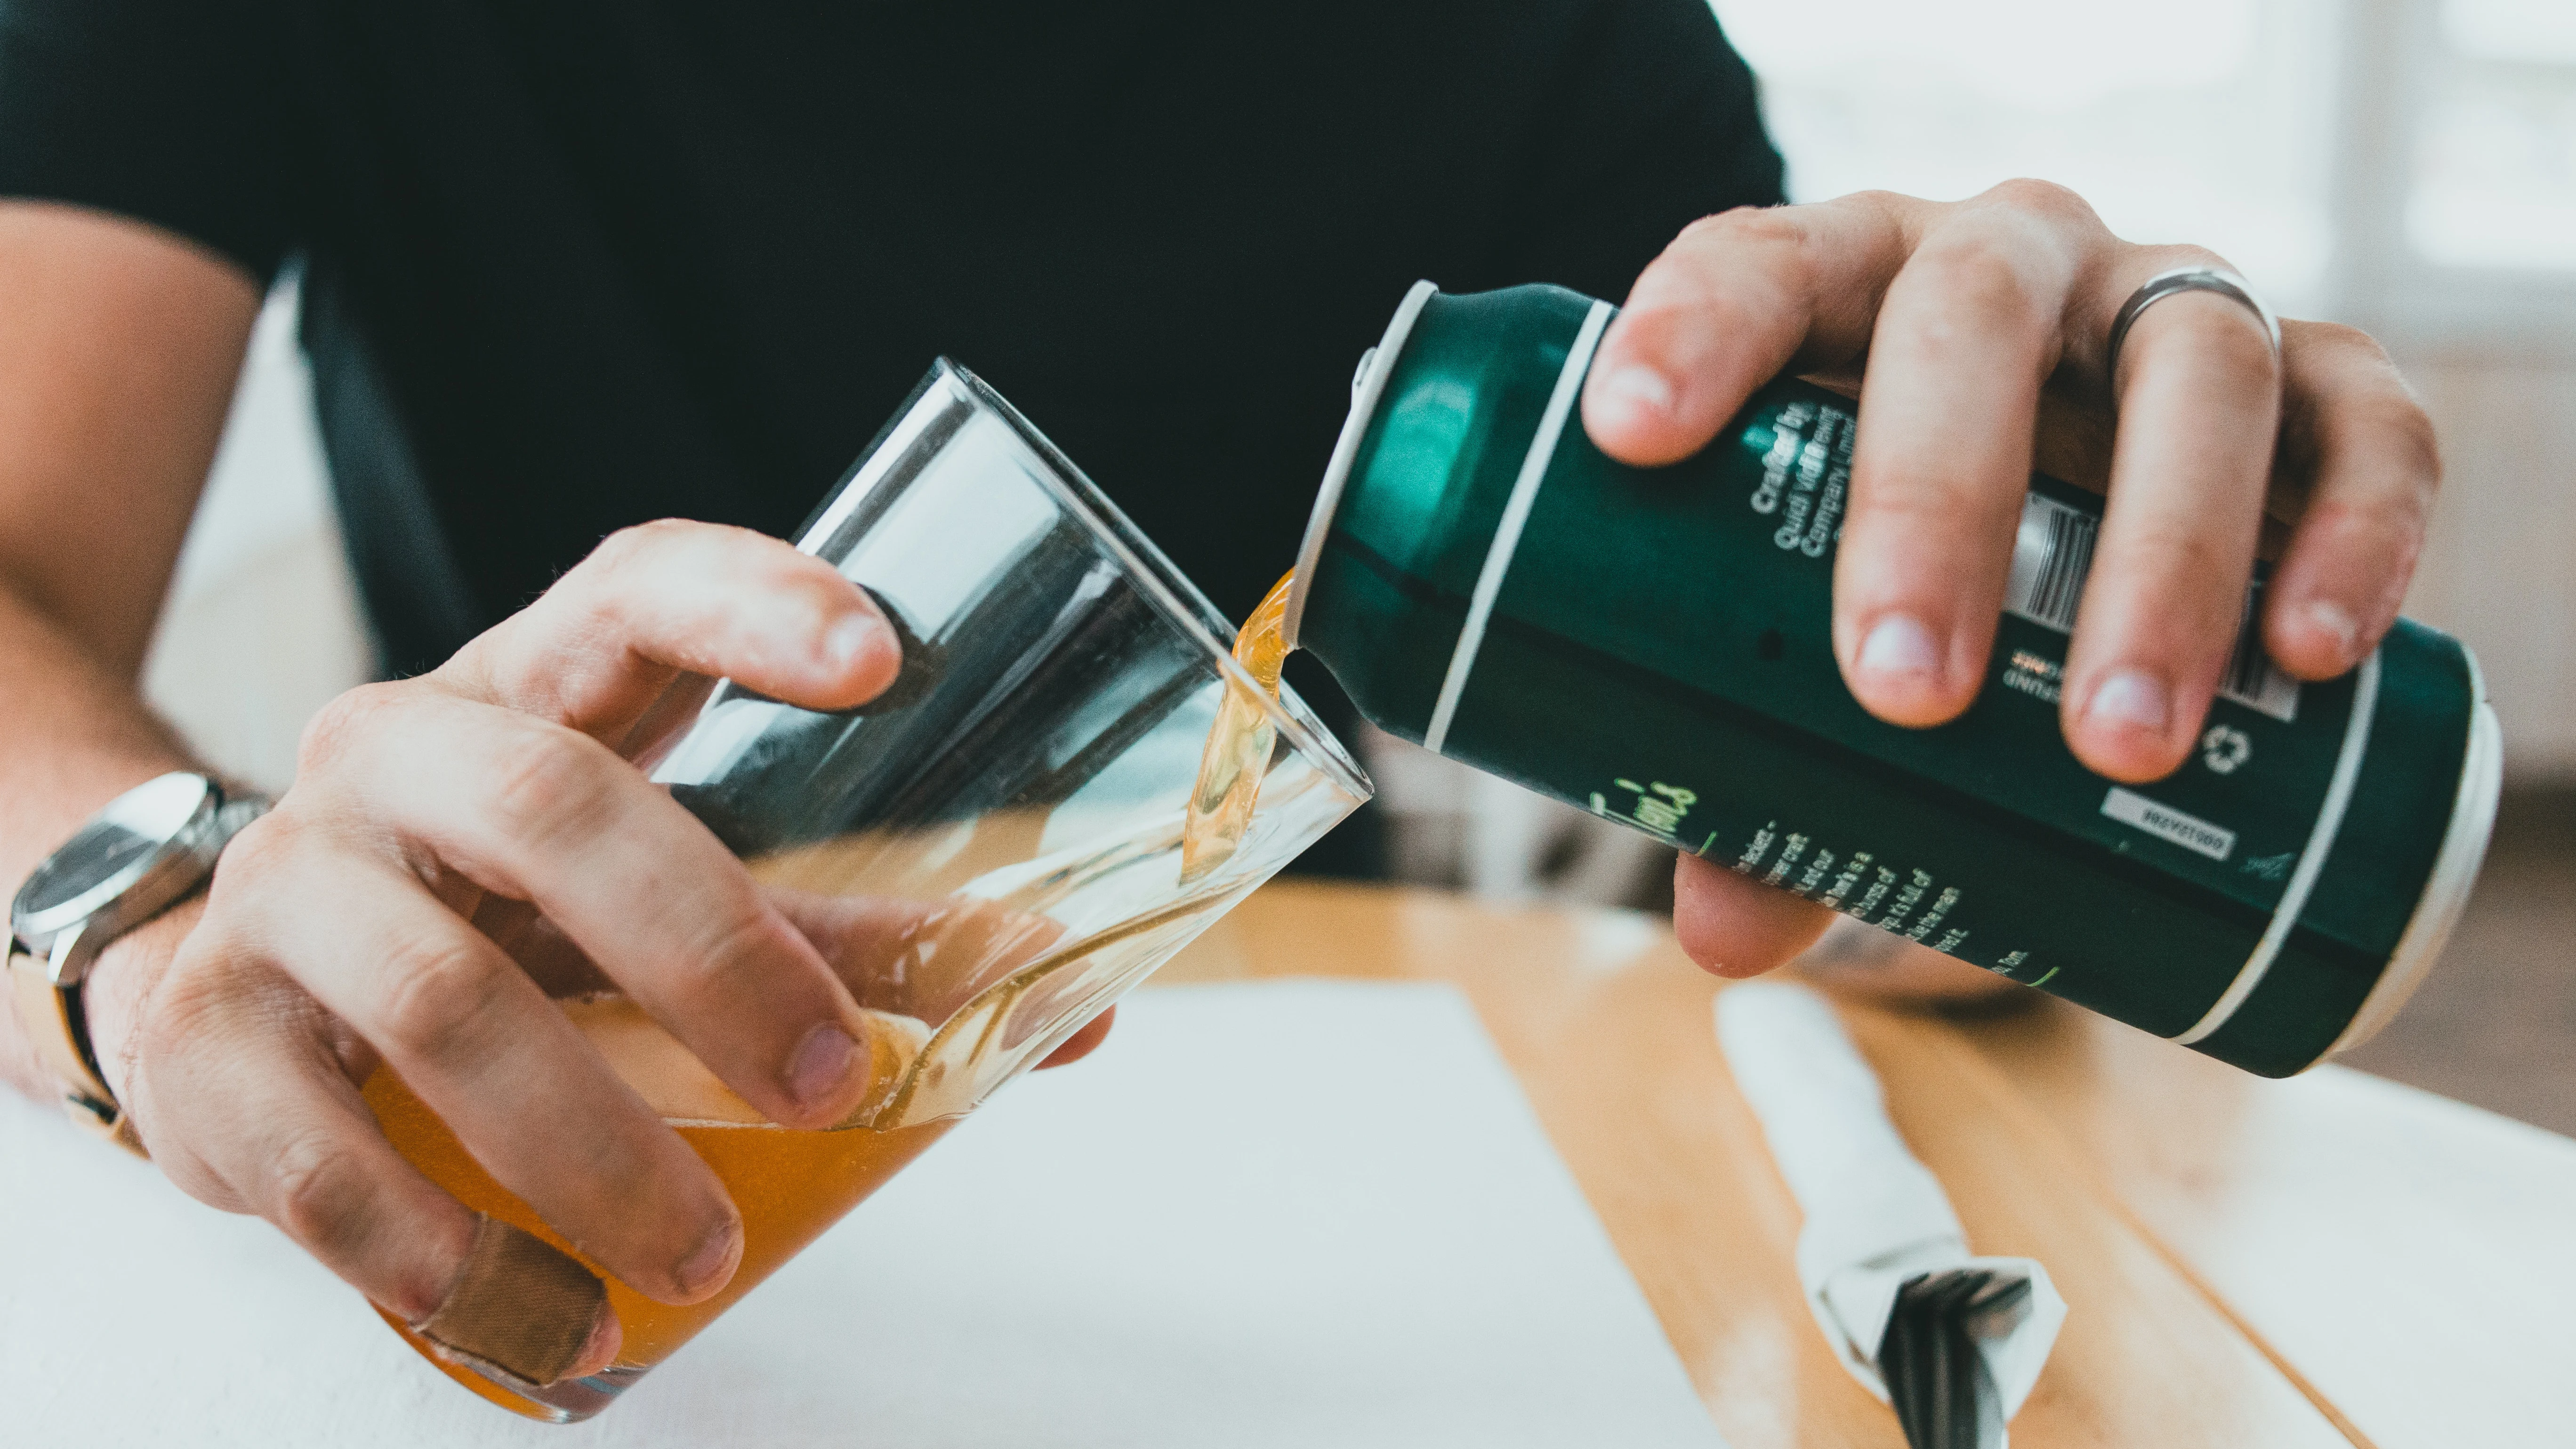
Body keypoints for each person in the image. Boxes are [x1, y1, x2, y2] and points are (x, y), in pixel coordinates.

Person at [0, 0, 2435, 1386]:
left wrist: (2062, 677)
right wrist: (139, 902)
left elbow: (1828, 844)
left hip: (1361, 1221)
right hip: (549, 1110)